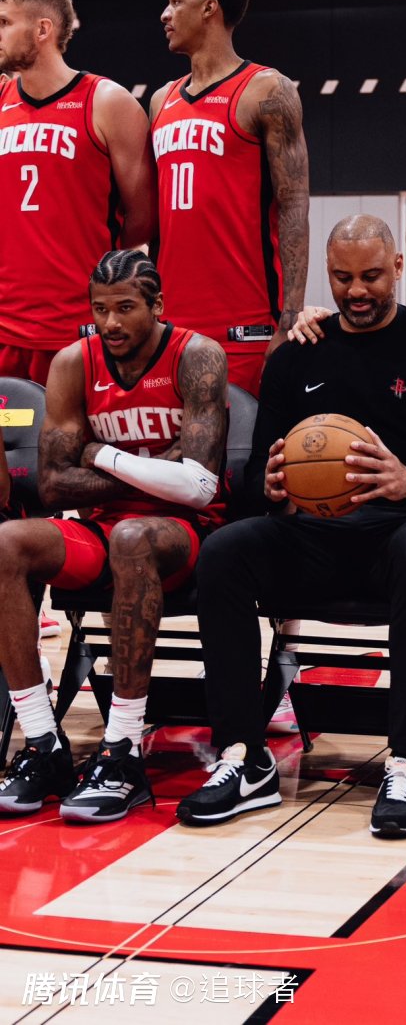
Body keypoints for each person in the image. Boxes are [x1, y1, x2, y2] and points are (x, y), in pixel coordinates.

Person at [176, 216, 406, 833]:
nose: (356, 291)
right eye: (342, 277)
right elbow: (258, 473)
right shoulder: (298, 354)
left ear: (398, 268)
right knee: (225, 551)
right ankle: (244, 756)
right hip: (316, 537)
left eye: (371, 275)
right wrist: (269, 486)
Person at [0, 250, 228, 822]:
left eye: (125, 308)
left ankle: (122, 751)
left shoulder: (197, 356)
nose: (110, 323)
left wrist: (101, 454)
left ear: (158, 305)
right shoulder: (73, 364)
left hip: (185, 534)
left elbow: (198, 487)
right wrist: (155, 466)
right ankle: (43, 744)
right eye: (100, 309)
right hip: (103, 531)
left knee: (132, 536)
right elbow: (53, 484)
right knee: (6, 544)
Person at [150, 0, 310, 395]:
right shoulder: (161, 99)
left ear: (210, 9)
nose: (165, 14)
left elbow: (294, 206)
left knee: (240, 440)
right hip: (169, 325)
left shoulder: (266, 89)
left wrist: (289, 318)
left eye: (176, 2)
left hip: (245, 324)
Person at [0, 0, 155, 384]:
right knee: (12, 421)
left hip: (81, 327)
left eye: (4, 22)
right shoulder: (1, 100)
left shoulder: (106, 101)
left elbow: (142, 219)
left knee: (69, 426)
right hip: (6, 330)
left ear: (43, 29)